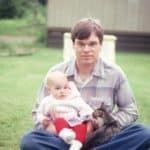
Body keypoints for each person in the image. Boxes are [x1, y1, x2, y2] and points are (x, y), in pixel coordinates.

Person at [20, 18, 150, 150]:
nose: (86, 49)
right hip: (64, 137)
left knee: (143, 133)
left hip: (101, 138)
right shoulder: (56, 73)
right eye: (81, 44)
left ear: (101, 44)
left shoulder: (115, 73)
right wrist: (55, 129)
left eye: (92, 44)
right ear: (73, 45)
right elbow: (38, 112)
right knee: (30, 140)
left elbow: (130, 111)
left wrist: (101, 124)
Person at [36, 71, 94, 150]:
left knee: (82, 127)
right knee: (59, 120)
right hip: (58, 127)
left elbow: (84, 108)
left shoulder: (73, 98)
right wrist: (43, 119)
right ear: (49, 90)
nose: (62, 91)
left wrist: (90, 115)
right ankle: (66, 135)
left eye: (65, 87)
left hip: (75, 122)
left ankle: (76, 145)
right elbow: (39, 113)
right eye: (58, 88)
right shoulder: (47, 101)